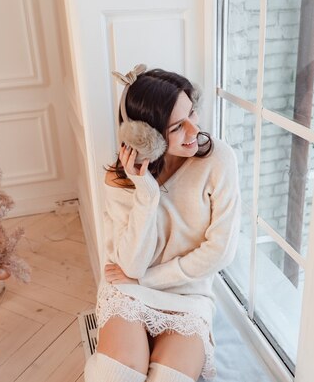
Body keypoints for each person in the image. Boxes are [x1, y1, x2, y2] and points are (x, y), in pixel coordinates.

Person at [84, 64, 241, 382]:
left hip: (187, 295)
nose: (194, 130)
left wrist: (146, 281)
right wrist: (146, 193)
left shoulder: (219, 160)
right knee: (115, 376)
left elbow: (220, 251)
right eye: (177, 127)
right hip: (128, 289)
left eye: (192, 113)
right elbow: (131, 264)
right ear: (146, 136)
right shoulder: (120, 179)